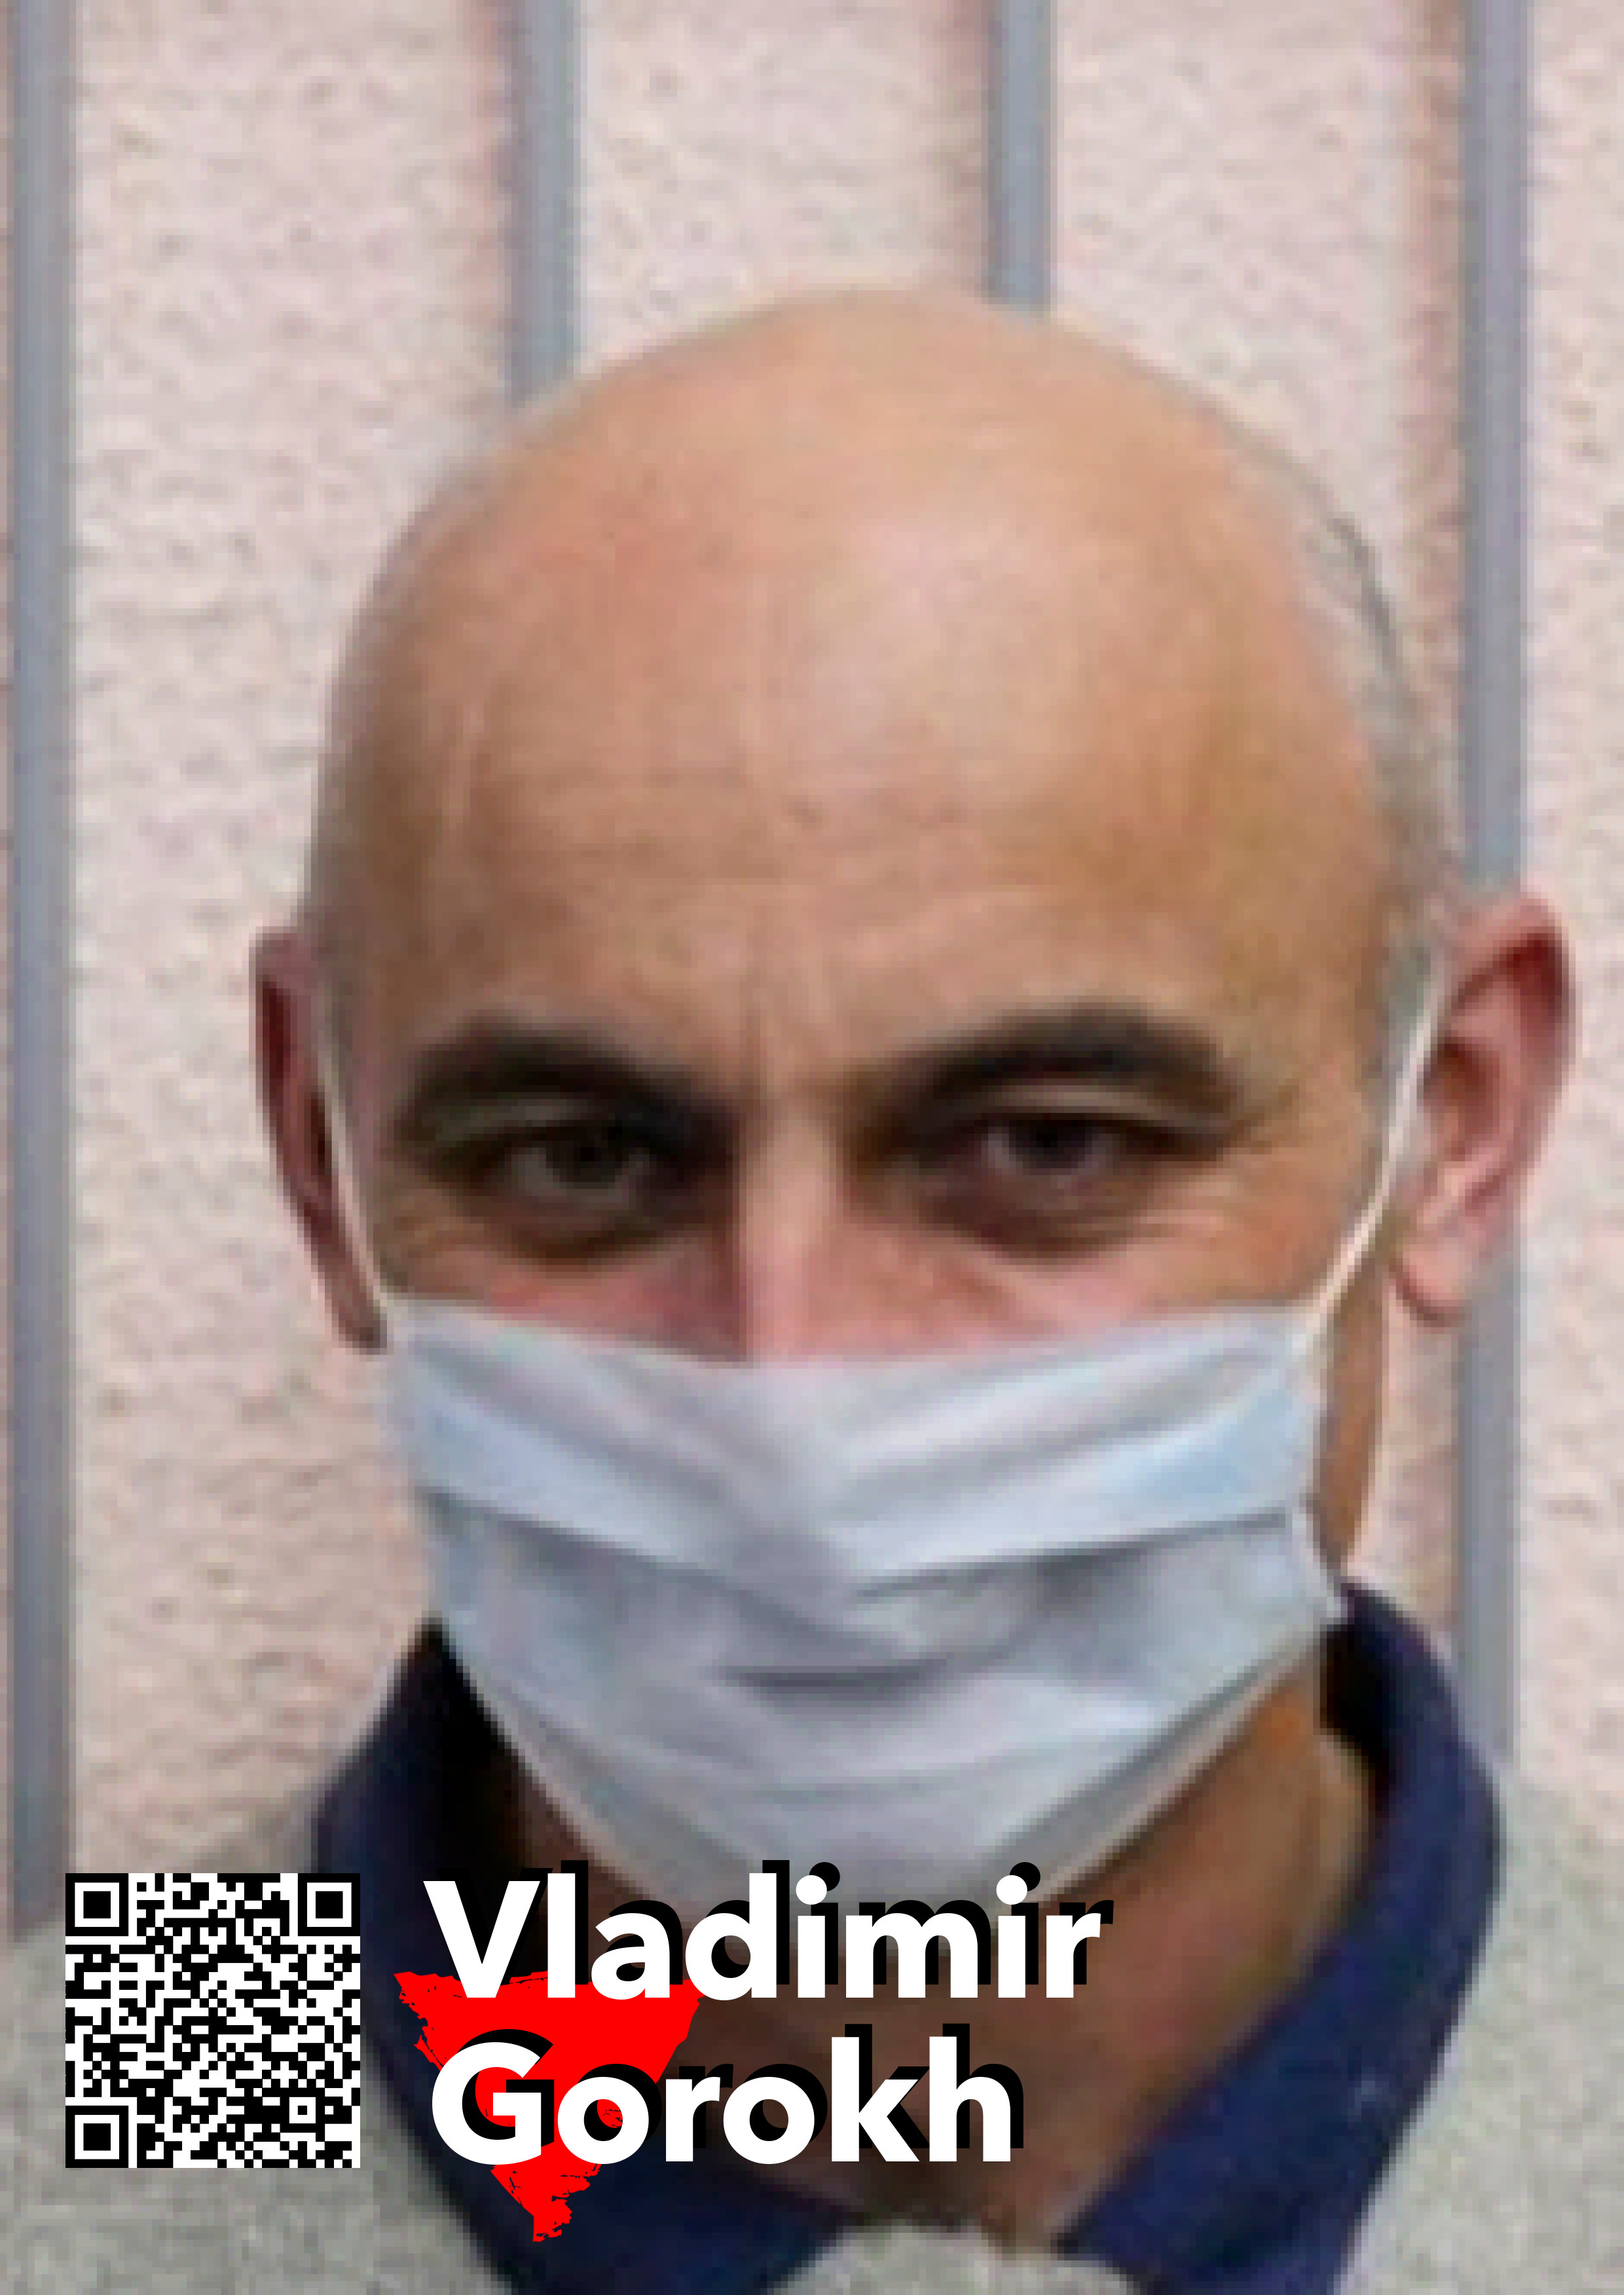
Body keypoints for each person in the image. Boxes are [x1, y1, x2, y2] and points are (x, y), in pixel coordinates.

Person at [7, 288, 1619, 2292]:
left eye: (1047, 1144)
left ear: (1453, 1119)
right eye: (588, 1158)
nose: (794, 1391)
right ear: (323, 1150)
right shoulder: (58, 2157)